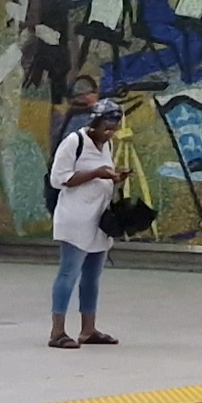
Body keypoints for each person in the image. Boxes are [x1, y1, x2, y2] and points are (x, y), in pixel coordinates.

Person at [47, 102, 125, 351]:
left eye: (113, 129)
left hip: (98, 219)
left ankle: (88, 329)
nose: (109, 133)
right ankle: (57, 331)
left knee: (92, 276)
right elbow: (59, 179)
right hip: (76, 218)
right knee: (69, 273)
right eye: (106, 128)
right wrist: (95, 174)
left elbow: (102, 173)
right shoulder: (74, 142)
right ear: (95, 123)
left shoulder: (107, 145)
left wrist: (114, 177)